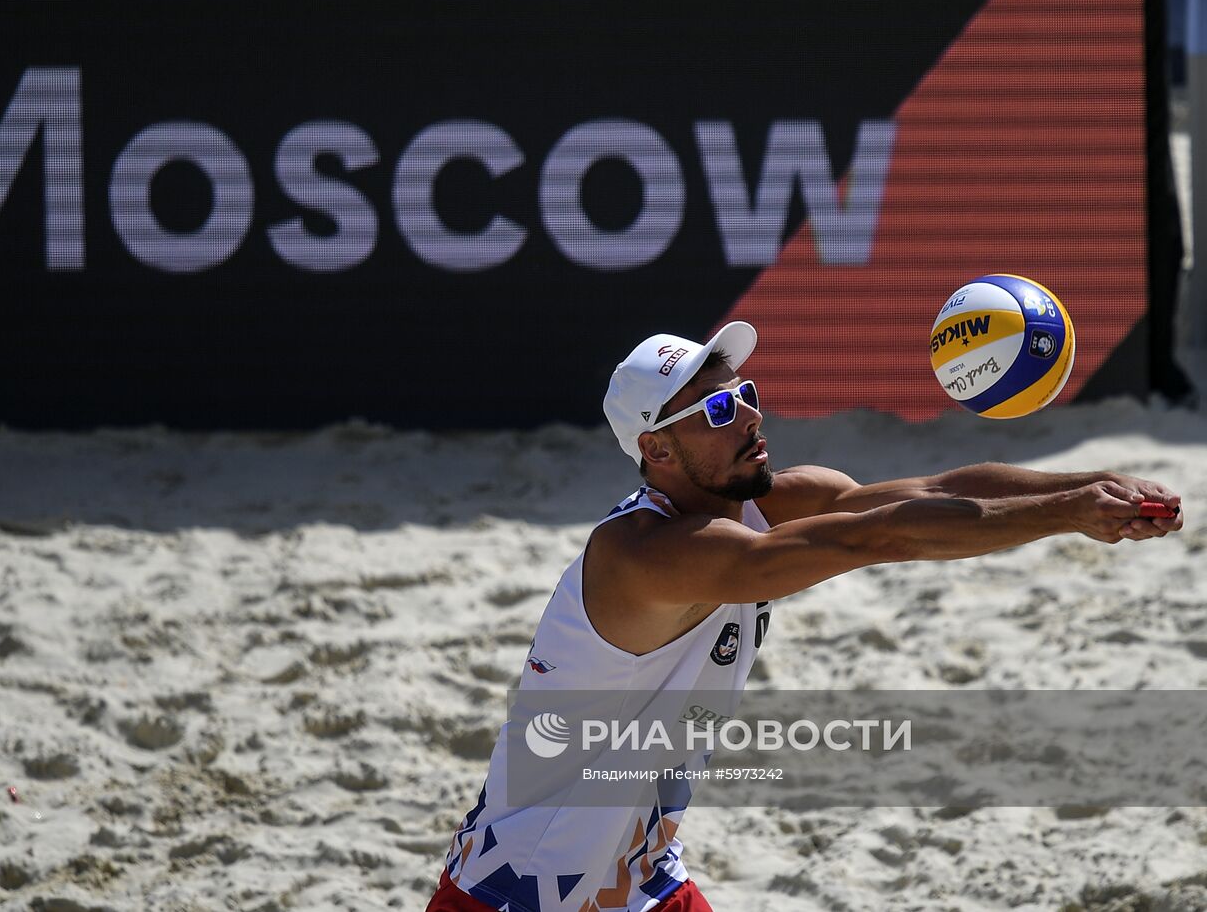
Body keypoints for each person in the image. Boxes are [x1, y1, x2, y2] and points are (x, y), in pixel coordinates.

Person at [425, 322, 1183, 912]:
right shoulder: (643, 553)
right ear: (656, 448)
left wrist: (1098, 484)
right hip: (514, 891)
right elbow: (874, 537)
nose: (751, 412)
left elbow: (927, 488)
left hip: (639, 881)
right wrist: (1064, 514)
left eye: (746, 391)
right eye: (719, 409)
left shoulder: (764, 497)